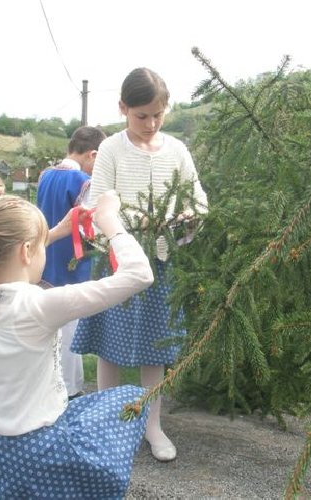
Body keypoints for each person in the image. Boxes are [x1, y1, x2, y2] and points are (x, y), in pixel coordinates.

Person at [0, 192, 155, 499]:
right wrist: (110, 222)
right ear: (27, 250)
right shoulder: (38, 306)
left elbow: (7, 259)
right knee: (130, 398)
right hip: (39, 451)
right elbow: (139, 275)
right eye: (40, 246)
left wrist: (55, 232)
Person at [71, 67, 208, 462]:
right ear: (123, 108)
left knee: (155, 349)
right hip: (115, 260)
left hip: (161, 263)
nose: (150, 124)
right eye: (141, 116)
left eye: (157, 115)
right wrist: (135, 221)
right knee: (108, 345)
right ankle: (106, 424)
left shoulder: (177, 150)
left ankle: (152, 425)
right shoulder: (111, 149)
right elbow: (97, 203)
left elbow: (198, 198)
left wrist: (189, 215)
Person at [37, 126, 107, 398]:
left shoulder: (45, 175)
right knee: (69, 329)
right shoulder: (82, 181)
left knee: (48, 327)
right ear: (93, 154)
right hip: (71, 260)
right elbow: (92, 226)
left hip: (45, 255)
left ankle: (48, 384)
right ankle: (69, 389)